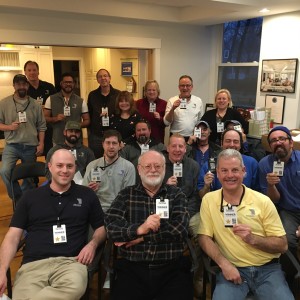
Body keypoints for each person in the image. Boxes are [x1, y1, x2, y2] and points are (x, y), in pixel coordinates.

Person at [0, 149, 106, 299]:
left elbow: (101, 228)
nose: (65, 170)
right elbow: (12, 237)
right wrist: (2, 270)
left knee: (74, 287)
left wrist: (92, 244)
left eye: (69, 166)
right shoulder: (29, 197)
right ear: (49, 167)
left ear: (75, 168)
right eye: (60, 165)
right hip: (32, 265)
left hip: (71, 263)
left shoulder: (87, 194)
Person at [199, 149, 293, 300]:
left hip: (268, 270)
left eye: (235, 170)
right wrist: (224, 264)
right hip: (232, 269)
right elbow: (204, 237)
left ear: (243, 171)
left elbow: (282, 245)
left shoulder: (263, 201)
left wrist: (253, 239)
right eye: (224, 170)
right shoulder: (209, 200)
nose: (230, 175)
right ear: (217, 173)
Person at [105, 150, 193, 300]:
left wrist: (142, 237)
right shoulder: (126, 194)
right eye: (148, 166)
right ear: (139, 169)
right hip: (132, 268)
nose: (153, 170)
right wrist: (139, 228)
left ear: (164, 169)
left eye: (158, 166)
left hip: (171, 268)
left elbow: (180, 228)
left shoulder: (176, 194)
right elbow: (111, 227)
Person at [258, 126, 300, 271]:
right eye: (274, 141)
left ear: (291, 143)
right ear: (270, 146)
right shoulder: (265, 164)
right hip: (288, 211)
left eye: (282, 139)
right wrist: (271, 186)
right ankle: (291, 277)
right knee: (286, 240)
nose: (278, 142)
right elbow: (273, 200)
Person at [0, 74, 46, 200]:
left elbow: (42, 126)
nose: (21, 86)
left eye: (24, 84)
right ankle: (18, 198)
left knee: (29, 178)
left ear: (27, 85)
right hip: (12, 146)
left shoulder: (35, 104)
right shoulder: (4, 103)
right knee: (5, 171)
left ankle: (28, 201)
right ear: (14, 86)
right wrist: (9, 127)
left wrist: (41, 143)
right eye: (18, 84)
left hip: (30, 146)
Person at [83, 129, 136, 213]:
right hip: (95, 209)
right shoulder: (92, 165)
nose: (111, 146)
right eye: (108, 143)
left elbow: (128, 196)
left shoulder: (128, 167)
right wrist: (89, 190)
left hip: (118, 211)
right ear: (103, 144)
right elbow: (84, 194)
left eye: (114, 143)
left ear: (120, 146)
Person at [198, 129, 259, 198]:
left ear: (240, 144)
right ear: (221, 143)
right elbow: (202, 196)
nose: (232, 144)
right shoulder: (210, 164)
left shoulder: (252, 163)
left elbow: (258, 193)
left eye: (235, 141)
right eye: (228, 141)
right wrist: (206, 186)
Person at [44, 72, 90, 145]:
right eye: (66, 82)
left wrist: (77, 125)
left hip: (76, 141)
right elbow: (44, 118)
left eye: (70, 82)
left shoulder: (81, 101)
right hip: (58, 141)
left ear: (74, 84)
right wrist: (55, 118)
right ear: (61, 83)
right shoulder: (51, 99)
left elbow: (87, 120)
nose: (68, 84)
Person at [24, 60, 57, 157]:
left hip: (48, 127)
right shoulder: (23, 89)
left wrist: (46, 108)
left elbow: (56, 105)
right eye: (29, 70)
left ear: (38, 71)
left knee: (50, 155)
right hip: (30, 128)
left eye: (34, 70)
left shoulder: (49, 87)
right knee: (30, 156)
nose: (32, 72)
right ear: (25, 72)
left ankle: (49, 172)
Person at [87, 68, 120, 158]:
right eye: (100, 76)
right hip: (96, 135)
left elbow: (121, 112)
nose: (103, 78)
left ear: (110, 78)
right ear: (97, 80)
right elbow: (89, 113)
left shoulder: (118, 94)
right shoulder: (92, 95)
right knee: (96, 160)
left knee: (113, 159)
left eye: (105, 76)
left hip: (113, 134)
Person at [164, 75, 203, 140]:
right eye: (182, 85)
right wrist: (173, 108)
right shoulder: (172, 100)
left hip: (192, 137)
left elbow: (199, 122)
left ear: (192, 87)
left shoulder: (198, 101)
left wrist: (197, 136)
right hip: (175, 137)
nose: (185, 88)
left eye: (188, 85)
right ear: (179, 87)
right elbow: (166, 122)